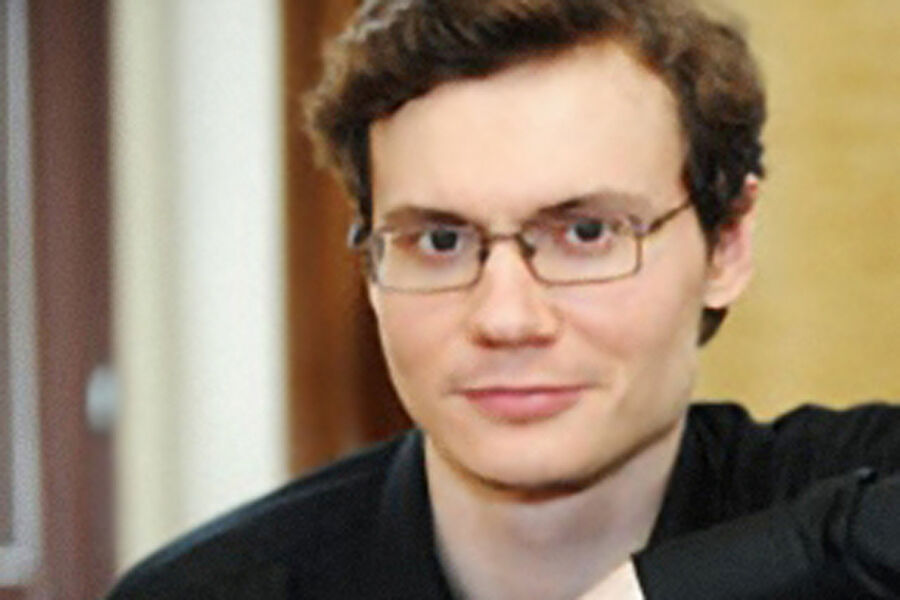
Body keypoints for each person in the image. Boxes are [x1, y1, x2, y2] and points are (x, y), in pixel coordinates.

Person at [106, 0, 900, 598]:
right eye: (439, 240)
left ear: (725, 245)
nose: (506, 318)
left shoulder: (843, 507)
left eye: (586, 232)